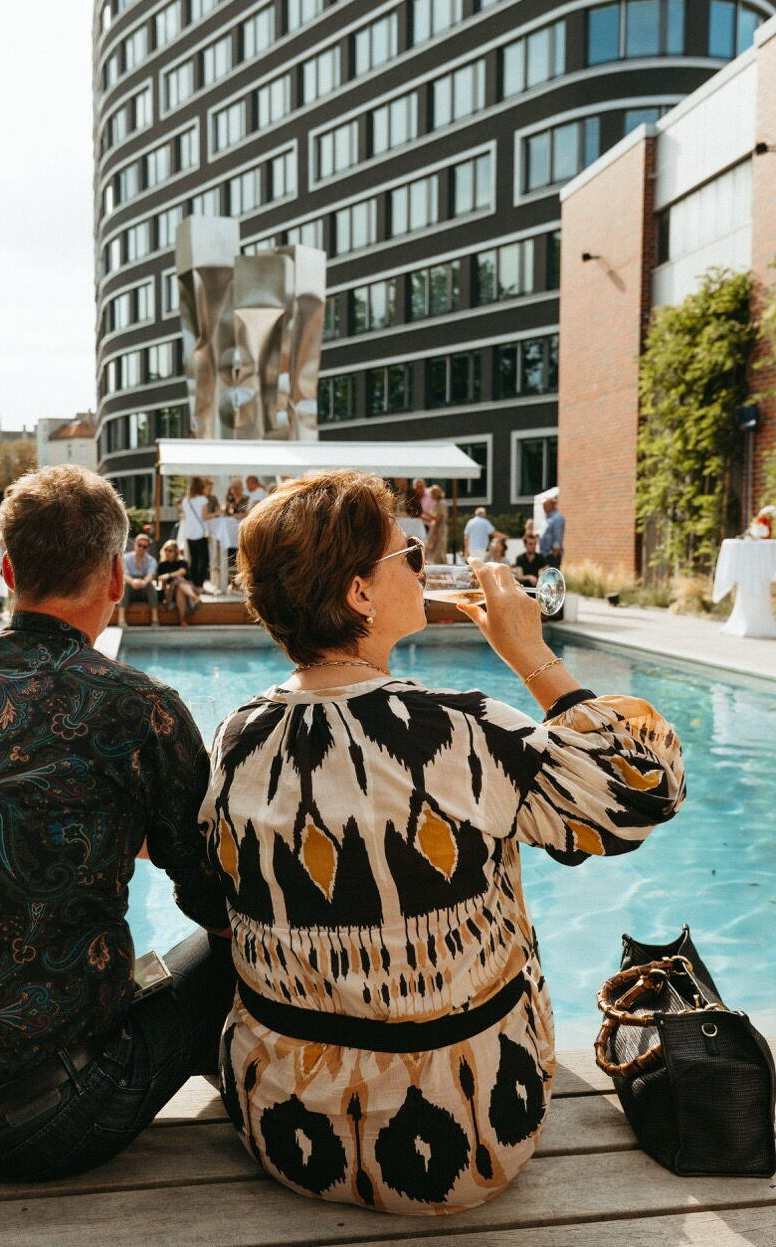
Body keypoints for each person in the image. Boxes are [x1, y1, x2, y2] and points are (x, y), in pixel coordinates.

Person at [201, 470, 684, 1216]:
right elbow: (641, 792)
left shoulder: (236, 736)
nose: (425, 569)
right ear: (360, 595)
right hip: (471, 1134)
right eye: (412, 556)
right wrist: (530, 653)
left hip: (286, 1131)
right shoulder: (460, 729)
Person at [0, 464, 234, 1182]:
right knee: (231, 956)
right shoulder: (138, 706)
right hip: (47, 1124)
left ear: (5, 568)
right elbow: (215, 896)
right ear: (117, 576)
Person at [117, 532, 159, 627]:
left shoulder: (152, 560)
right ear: (135, 545)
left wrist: (144, 582)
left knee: (151, 586)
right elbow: (123, 575)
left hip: (144, 587)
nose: (141, 548)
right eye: (139, 545)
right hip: (130, 585)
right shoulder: (126, 558)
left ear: (147, 548)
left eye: (144, 546)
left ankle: (155, 619)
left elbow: (151, 574)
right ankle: (121, 619)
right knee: (124, 585)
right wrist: (132, 581)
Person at [157, 538, 201, 626]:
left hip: (184, 592)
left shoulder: (182, 562)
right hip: (169, 593)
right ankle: (195, 598)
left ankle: (182, 620)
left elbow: (182, 571)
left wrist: (168, 575)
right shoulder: (162, 565)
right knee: (178, 580)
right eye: (165, 549)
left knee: (179, 586)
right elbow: (162, 585)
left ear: (176, 552)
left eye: (170, 550)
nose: (167, 552)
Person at [181, 476, 211, 591]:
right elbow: (205, 517)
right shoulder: (203, 500)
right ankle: (200, 585)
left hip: (189, 533)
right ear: (201, 488)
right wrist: (217, 513)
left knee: (194, 560)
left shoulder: (186, 500)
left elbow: (185, 516)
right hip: (200, 533)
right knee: (204, 560)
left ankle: (194, 584)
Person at [424, 483, 448, 562]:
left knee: (439, 550)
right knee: (435, 550)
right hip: (436, 528)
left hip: (439, 529)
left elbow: (438, 518)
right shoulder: (438, 503)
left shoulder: (441, 503)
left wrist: (425, 513)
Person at [539, 495, 565, 567]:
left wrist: (554, 555)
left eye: (545, 504)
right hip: (544, 554)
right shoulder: (546, 518)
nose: (543, 507)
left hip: (551, 555)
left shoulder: (557, 518)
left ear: (552, 504)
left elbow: (558, 537)